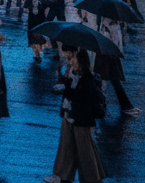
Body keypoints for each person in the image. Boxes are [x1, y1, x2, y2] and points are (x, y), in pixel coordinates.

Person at [45, 52, 106, 183]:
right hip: (70, 115)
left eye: (73, 59)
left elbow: (82, 99)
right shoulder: (74, 74)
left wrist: (67, 90)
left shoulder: (87, 79)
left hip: (80, 119)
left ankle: (92, 178)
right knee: (67, 146)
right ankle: (62, 175)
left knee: (85, 150)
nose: (70, 62)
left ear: (81, 62)